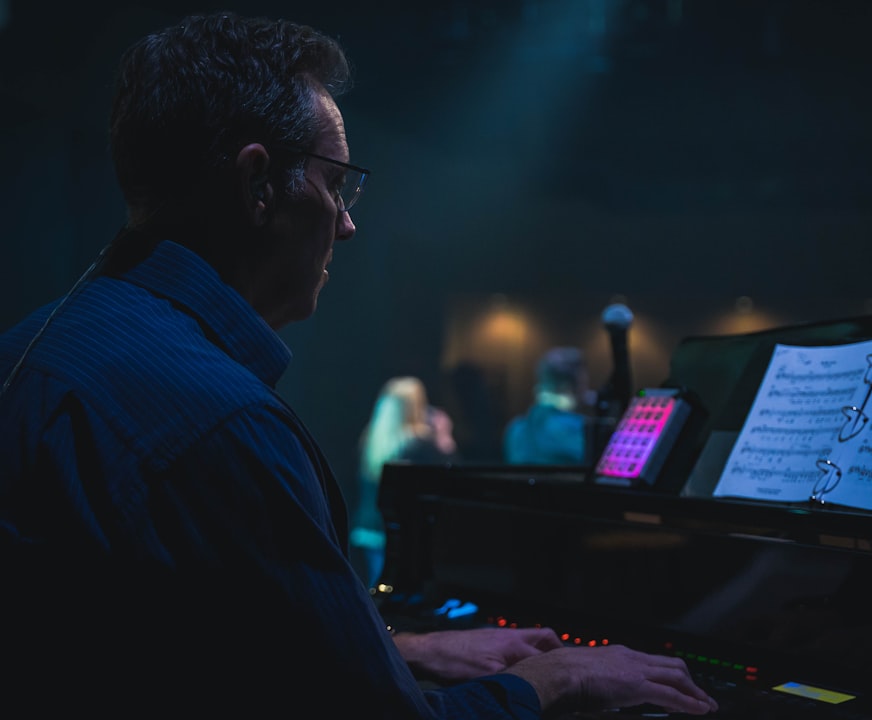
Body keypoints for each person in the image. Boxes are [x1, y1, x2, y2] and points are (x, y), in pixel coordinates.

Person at [0, 11, 718, 717]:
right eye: (335, 182)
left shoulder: (31, 348)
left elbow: (162, 643)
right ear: (258, 184)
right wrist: (557, 678)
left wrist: (394, 647)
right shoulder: (221, 421)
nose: (346, 222)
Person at [353, 376, 458, 588]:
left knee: (376, 590)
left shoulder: (371, 438)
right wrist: (445, 437)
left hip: (369, 528)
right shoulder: (420, 443)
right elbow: (452, 476)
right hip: (401, 532)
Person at [503, 346, 592, 465]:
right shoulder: (580, 429)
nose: (586, 391)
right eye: (583, 384)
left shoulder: (516, 429)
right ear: (568, 387)